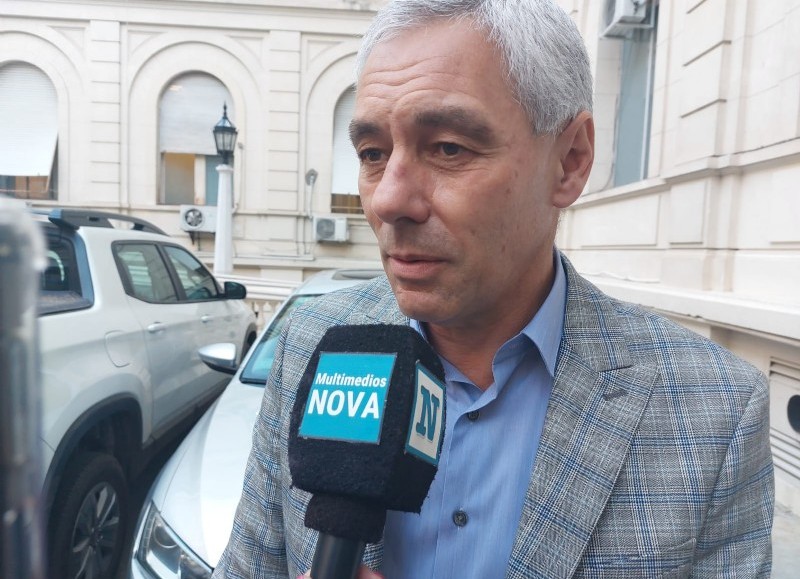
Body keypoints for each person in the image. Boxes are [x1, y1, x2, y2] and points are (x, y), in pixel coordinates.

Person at [213, 0, 774, 577]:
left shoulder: (715, 413)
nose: (387, 200)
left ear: (570, 161)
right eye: (373, 153)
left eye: (449, 148)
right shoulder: (314, 344)